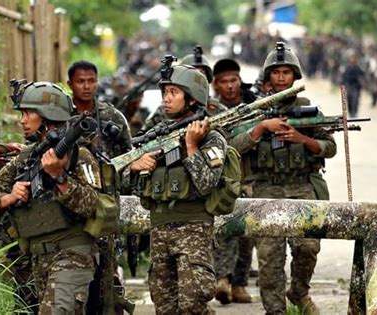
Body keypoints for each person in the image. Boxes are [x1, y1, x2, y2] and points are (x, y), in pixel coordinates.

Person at [0, 81, 101, 314]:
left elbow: (93, 206)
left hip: (72, 254)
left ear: (48, 116)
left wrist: (60, 177)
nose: (22, 120)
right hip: (35, 261)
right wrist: (9, 197)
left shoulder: (78, 155)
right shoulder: (25, 157)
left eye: (28, 113)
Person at [233, 42, 336, 315]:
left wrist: (302, 139)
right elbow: (233, 147)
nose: (281, 78)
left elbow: (330, 146)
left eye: (286, 72)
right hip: (265, 188)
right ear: (268, 77)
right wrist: (261, 128)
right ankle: (275, 311)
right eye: (276, 72)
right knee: (269, 258)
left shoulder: (308, 110)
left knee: (308, 247)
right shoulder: (252, 111)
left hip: (301, 187)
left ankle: (299, 292)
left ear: (295, 76)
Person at [124, 63, 227, 314]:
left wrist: (191, 147)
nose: (166, 99)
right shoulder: (153, 137)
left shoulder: (211, 138)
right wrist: (134, 168)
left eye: (173, 93)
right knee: (165, 305)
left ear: (192, 99)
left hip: (193, 228)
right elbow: (122, 182)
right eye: (165, 92)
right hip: (159, 229)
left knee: (193, 303)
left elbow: (205, 184)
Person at [67, 60, 134, 313]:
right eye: (80, 81)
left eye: (91, 81)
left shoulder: (112, 116)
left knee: (104, 277)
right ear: (70, 84)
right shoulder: (60, 115)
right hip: (71, 207)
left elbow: (128, 157)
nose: (87, 86)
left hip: (104, 208)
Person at [211, 58, 256, 305]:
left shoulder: (253, 105)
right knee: (223, 233)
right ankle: (223, 280)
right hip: (220, 180)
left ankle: (239, 283)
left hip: (248, 179)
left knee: (247, 235)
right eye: (224, 82)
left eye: (233, 80)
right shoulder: (209, 110)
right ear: (215, 85)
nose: (230, 86)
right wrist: (254, 134)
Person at [341, 50, 365, 117]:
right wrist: (343, 84)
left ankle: (354, 113)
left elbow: (362, 75)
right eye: (351, 57)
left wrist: (361, 83)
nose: (352, 59)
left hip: (356, 87)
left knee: (355, 100)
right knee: (349, 100)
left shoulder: (358, 67)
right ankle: (351, 113)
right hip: (348, 86)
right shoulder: (347, 67)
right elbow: (343, 77)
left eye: (354, 57)